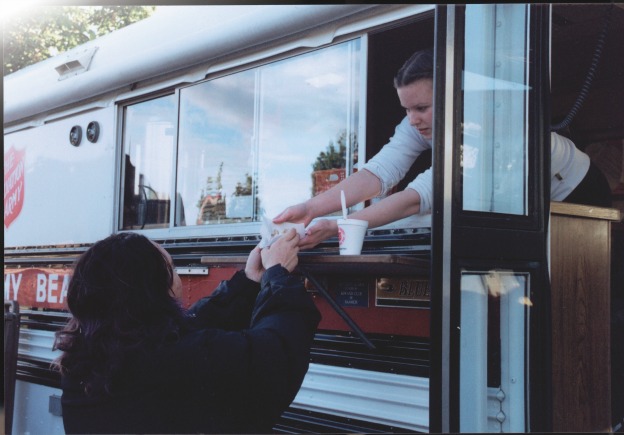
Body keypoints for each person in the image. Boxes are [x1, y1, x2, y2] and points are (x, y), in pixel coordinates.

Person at [273, 48, 612, 250]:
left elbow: (419, 195)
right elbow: (379, 172)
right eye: (406, 109)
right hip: (521, 197)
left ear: (454, 95)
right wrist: (311, 207)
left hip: (576, 190)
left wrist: (341, 225)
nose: (413, 120)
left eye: (421, 108)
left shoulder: (484, 124)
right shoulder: (417, 122)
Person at [52, 230, 320, 434]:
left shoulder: (85, 361)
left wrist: (249, 281)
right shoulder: (172, 361)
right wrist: (277, 274)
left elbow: (190, 327)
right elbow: (275, 352)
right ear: (152, 292)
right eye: (172, 269)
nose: (177, 277)